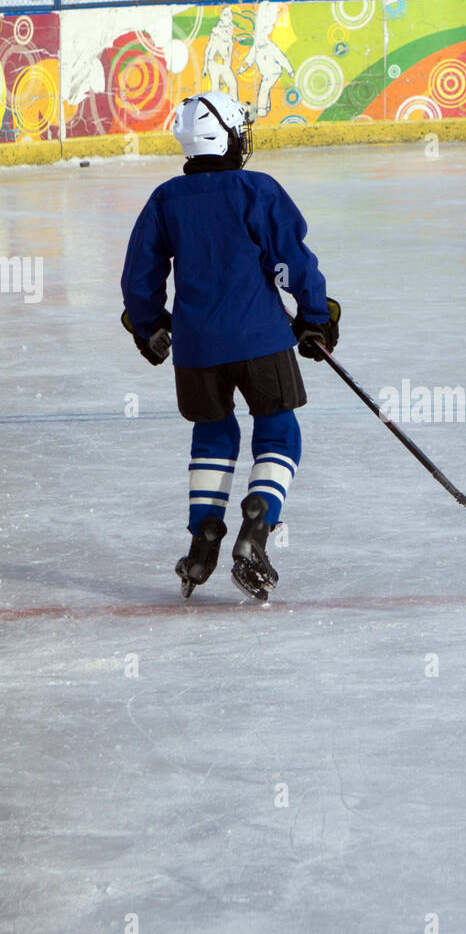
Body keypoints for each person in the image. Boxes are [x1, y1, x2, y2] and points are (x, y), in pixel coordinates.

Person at [120, 90, 339, 602]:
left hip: (197, 350)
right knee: (278, 430)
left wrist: (148, 324)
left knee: (213, 436)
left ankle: (203, 541)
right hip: (260, 338)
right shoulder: (255, 189)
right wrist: (314, 317)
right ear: (230, 137)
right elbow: (292, 262)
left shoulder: (166, 199)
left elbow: (139, 277)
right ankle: (257, 526)